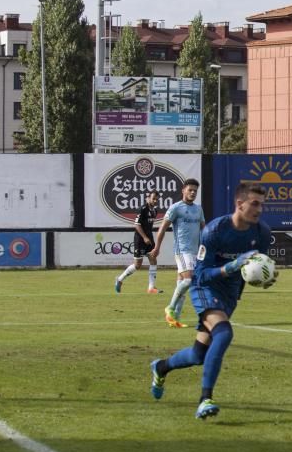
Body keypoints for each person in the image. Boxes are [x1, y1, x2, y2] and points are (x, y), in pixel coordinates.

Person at [149, 183, 274, 419]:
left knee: (198, 355)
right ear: (240, 204)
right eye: (255, 204)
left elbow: (252, 270)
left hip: (229, 293)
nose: (259, 209)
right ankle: (205, 399)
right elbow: (202, 274)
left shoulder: (262, 233)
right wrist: (231, 266)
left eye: (262, 205)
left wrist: (264, 278)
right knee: (224, 333)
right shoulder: (215, 230)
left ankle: (161, 367)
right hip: (205, 287)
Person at [151, 178, 205, 329]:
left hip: (195, 252)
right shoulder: (176, 208)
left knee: (182, 284)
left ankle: (175, 318)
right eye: (190, 190)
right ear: (183, 190)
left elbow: (203, 229)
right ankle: (170, 307)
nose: (193, 193)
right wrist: (157, 247)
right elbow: (162, 228)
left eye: (195, 190)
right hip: (182, 250)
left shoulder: (198, 209)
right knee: (189, 280)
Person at [115, 191, 162, 294]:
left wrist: (148, 237)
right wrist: (144, 237)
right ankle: (120, 279)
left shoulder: (154, 211)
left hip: (149, 239)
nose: (155, 201)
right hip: (140, 240)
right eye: (153, 198)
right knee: (137, 265)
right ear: (148, 198)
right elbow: (137, 225)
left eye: (157, 199)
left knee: (153, 260)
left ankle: (151, 288)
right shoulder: (143, 209)